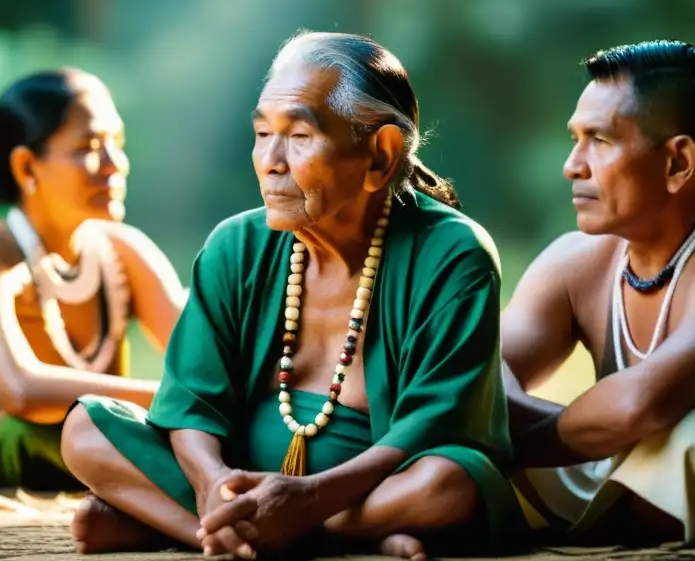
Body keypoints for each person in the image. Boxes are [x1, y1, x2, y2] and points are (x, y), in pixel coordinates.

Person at [60, 31, 525, 560]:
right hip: (249, 481)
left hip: (383, 488)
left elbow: (434, 428)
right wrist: (212, 483)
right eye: (262, 133)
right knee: (85, 429)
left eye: (300, 135)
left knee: (451, 483)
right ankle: (257, 528)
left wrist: (307, 501)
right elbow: (191, 403)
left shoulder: (452, 253)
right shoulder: (235, 245)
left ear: (380, 154)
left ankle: (196, 529)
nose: (270, 161)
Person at [501, 41, 695, 549]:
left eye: (598, 141)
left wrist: (500, 440)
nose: (572, 166)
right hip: (602, 470)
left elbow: (639, 408)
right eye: (575, 139)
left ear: (678, 163)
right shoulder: (575, 259)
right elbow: (478, 375)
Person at [0, 68, 187, 489]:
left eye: (115, 144)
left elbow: (201, 354)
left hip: (93, 437)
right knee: (64, 430)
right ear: (27, 166)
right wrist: (177, 402)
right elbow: (19, 392)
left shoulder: (125, 250)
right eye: (88, 147)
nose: (113, 165)